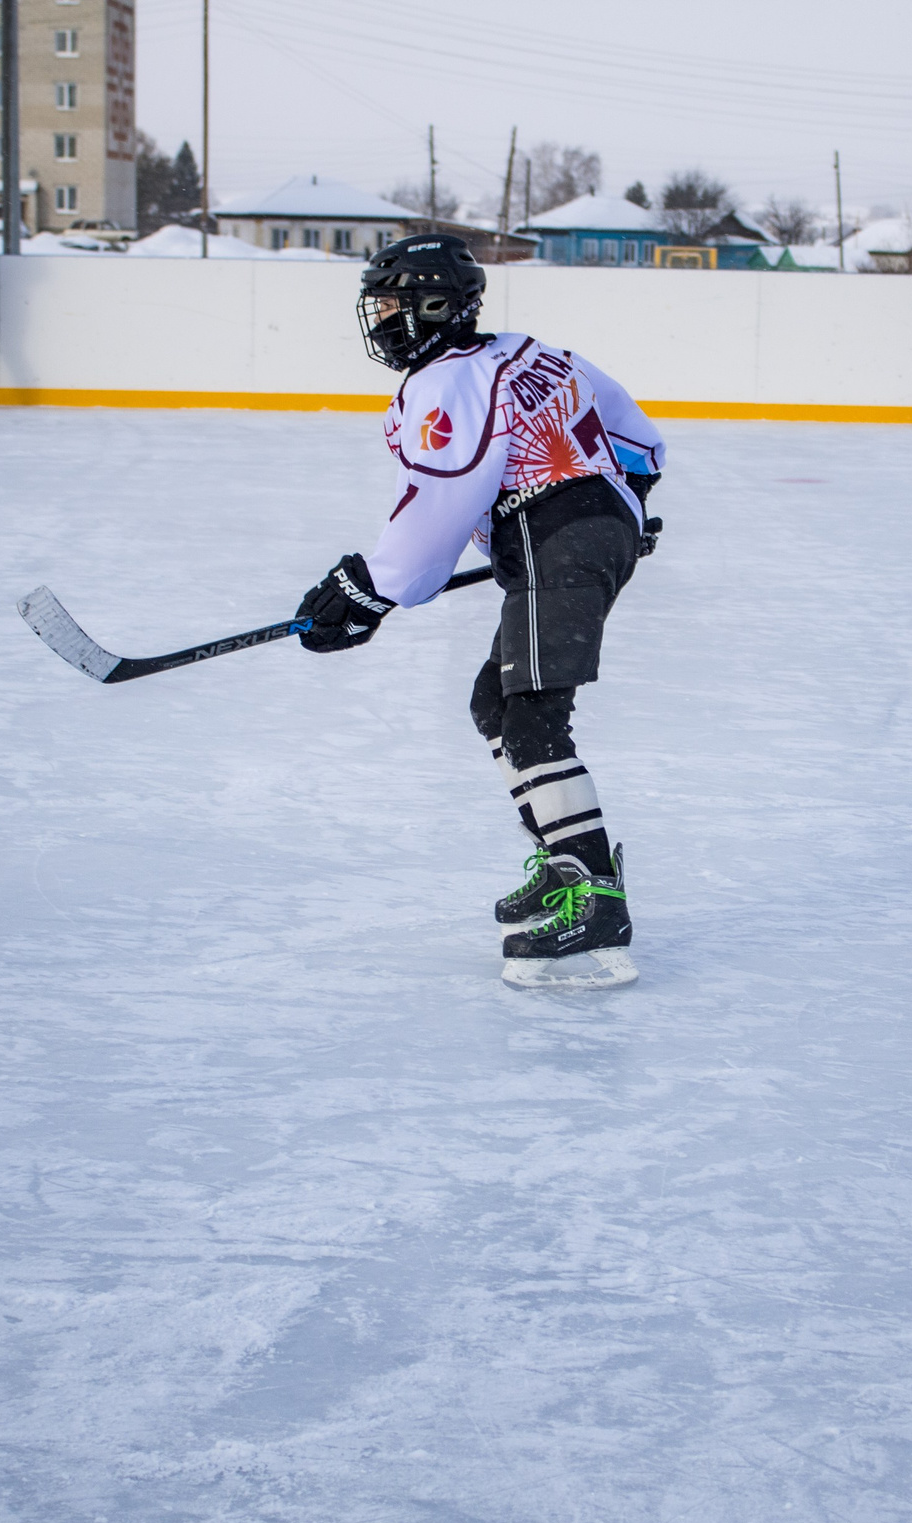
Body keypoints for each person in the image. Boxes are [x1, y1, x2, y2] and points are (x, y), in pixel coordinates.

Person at [293, 233, 666, 989]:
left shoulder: (444, 381)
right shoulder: (528, 351)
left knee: (530, 713)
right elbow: (635, 435)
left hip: (553, 532)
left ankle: (594, 895)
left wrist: (369, 585)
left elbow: (440, 500)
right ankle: (565, 862)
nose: (385, 317)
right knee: (495, 701)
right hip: (579, 528)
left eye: (397, 302)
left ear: (435, 306)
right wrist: (623, 506)